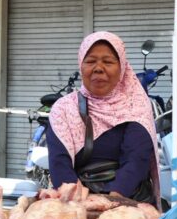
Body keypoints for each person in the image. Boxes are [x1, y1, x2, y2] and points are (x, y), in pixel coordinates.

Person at [47, 31, 159, 205]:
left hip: (127, 203)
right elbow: (59, 163)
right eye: (91, 61)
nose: (98, 68)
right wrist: (79, 206)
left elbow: (136, 160)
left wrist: (111, 203)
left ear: (122, 67)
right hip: (77, 203)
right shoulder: (64, 109)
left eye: (108, 61)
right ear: (80, 65)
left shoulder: (136, 105)